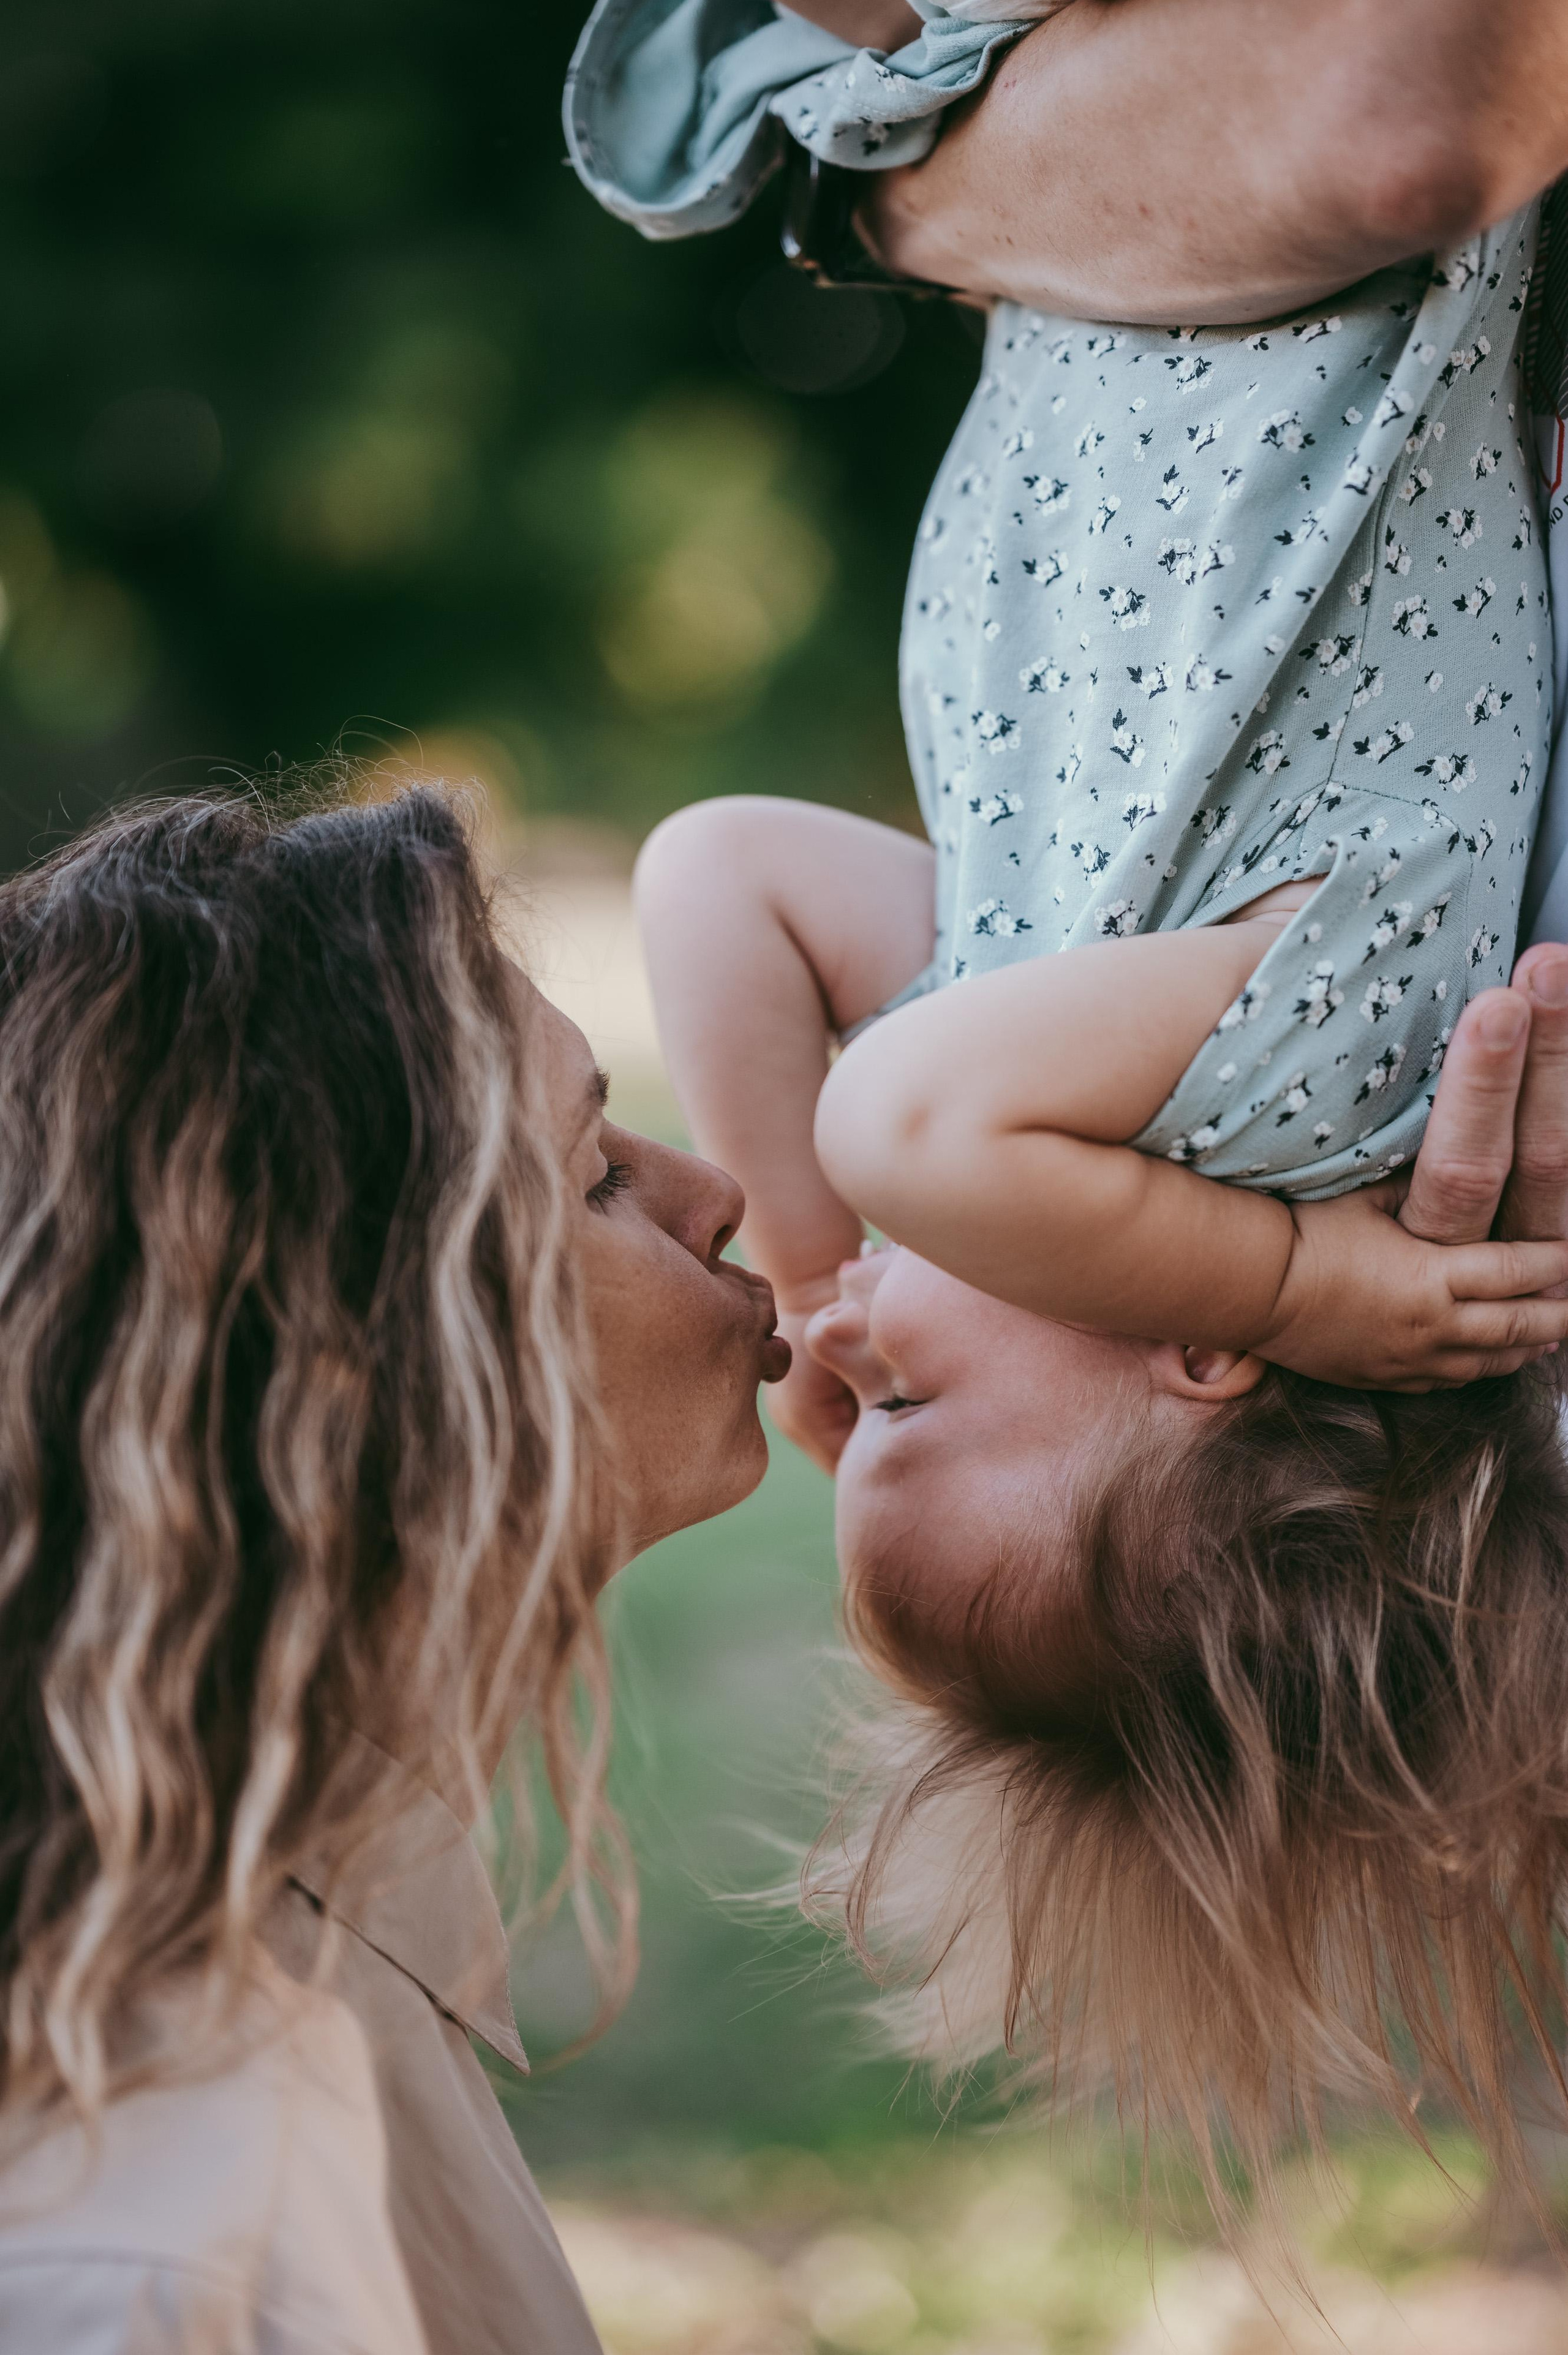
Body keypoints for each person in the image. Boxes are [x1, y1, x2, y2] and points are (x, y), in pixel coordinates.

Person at [575, 0, 1568, 2220]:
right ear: (1204, 1355)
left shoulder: (1066, 1045)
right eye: (904, 1406)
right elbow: (917, 1119)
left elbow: (713, 871)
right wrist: (1303, 1256)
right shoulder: (1297, 1096)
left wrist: (849, 1281)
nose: (825, 1349)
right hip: (1264, 265)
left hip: (1112, 238)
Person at [0, 785, 789, 2354]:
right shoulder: (169, 2254)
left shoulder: (296, 1907)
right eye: (601, 1181)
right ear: (341, 1371)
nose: (716, 1199)